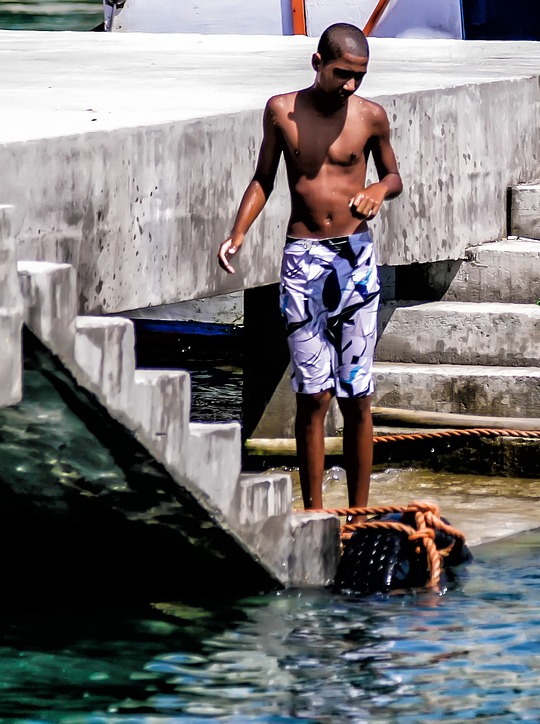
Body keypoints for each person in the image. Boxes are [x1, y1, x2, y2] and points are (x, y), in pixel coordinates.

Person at [217, 23, 403, 512]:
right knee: (312, 395)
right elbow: (264, 178)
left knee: (357, 394)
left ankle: (360, 514)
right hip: (303, 259)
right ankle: (315, 512)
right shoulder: (281, 111)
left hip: (355, 261)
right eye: (342, 73)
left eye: (359, 76)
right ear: (317, 63)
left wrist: (378, 192)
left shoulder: (370, 117)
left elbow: (393, 174)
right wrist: (239, 232)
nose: (350, 85)